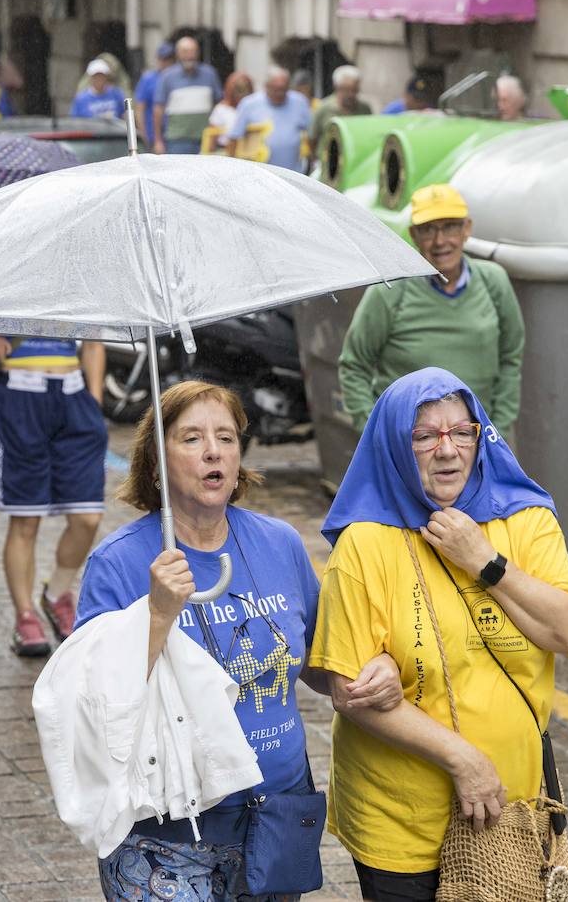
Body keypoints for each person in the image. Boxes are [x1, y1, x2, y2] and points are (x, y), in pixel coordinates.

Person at [78, 380, 401, 899]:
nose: (213, 451)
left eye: (226, 438)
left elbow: (321, 663)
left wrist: (378, 668)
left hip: (275, 813)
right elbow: (95, 703)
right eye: (191, 439)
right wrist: (158, 614)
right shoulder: (117, 564)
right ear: (156, 466)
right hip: (167, 835)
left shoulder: (280, 543)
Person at [310, 367, 568, 899]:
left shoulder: (524, 520)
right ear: (395, 445)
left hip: (509, 811)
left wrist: (485, 561)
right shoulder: (365, 544)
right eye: (425, 436)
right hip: (400, 819)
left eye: (462, 432)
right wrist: (464, 760)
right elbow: (351, 693)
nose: (448, 450)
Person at [0, 331, 106, 656]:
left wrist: (93, 404)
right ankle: (25, 616)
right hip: (18, 396)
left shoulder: (76, 278)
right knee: (26, 520)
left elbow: (94, 341)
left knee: (87, 517)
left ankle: (56, 594)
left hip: (73, 397)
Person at [338, 184, 524, 438]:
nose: (440, 241)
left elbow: (511, 358)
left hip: (481, 440)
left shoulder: (493, 282)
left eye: (450, 227)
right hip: (412, 445)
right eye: (428, 230)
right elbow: (354, 365)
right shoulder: (392, 291)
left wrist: (497, 431)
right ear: (413, 235)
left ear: (466, 229)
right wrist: (379, 434)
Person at [226, 66, 312, 171]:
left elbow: (312, 136)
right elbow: (233, 139)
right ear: (266, 86)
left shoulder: (300, 102)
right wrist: (232, 169)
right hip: (259, 176)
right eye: (276, 89)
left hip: (293, 174)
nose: (280, 93)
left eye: (283, 89)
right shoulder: (249, 104)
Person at [153, 36, 222, 155]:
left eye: (193, 51)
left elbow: (219, 104)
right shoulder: (168, 77)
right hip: (177, 140)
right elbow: (158, 110)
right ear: (178, 54)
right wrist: (158, 141)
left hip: (205, 138)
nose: (190, 56)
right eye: (185, 52)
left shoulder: (209, 74)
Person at [309, 65, 372, 159]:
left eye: (354, 90)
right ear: (336, 87)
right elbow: (312, 139)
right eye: (346, 90)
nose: (350, 95)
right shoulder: (323, 108)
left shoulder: (364, 109)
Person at [133, 42, 175, 146]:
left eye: (168, 59)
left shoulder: (177, 78)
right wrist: (143, 135)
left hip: (175, 135)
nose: (165, 62)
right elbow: (139, 109)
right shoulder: (148, 79)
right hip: (152, 136)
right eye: (162, 58)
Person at [206, 71, 252, 149]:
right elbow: (211, 142)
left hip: (250, 153)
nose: (241, 95)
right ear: (229, 90)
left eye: (245, 89)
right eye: (238, 90)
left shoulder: (254, 107)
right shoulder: (221, 109)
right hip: (226, 152)